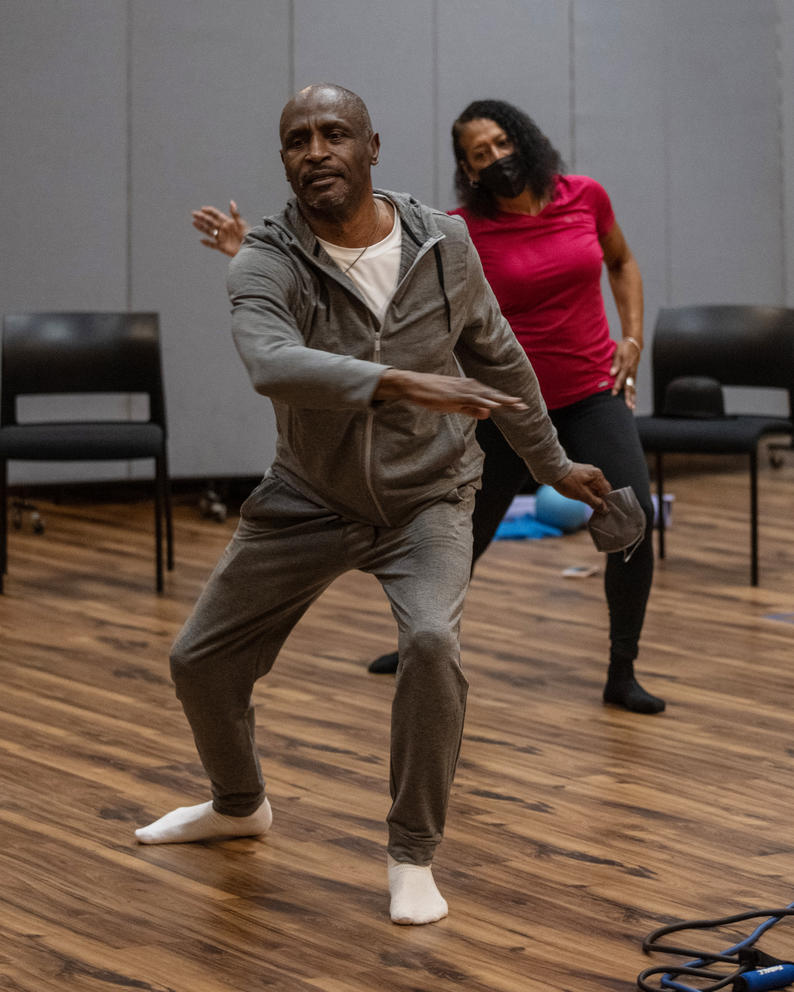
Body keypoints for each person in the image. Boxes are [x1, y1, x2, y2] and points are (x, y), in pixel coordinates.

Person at [142, 83, 610, 926]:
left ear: (373, 146)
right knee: (198, 661)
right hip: (307, 498)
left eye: (333, 133)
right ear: (284, 157)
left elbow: (501, 362)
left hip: (429, 495)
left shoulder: (445, 244)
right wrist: (394, 381)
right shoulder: (266, 259)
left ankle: (412, 854)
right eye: (296, 140)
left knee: (431, 641)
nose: (315, 150)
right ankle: (239, 803)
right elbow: (270, 362)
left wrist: (557, 463)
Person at [191, 98, 664, 716]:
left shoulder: (584, 198)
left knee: (631, 514)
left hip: (586, 393)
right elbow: (357, 266)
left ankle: (621, 668)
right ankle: (424, 643)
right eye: (478, 155)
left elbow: (622, 262)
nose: (495, 159)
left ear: (525, 139)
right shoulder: (460, 228)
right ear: (466, 169)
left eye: (501, 144)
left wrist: (631, 338)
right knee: (459, 532)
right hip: (486, 403)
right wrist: (249, 249)